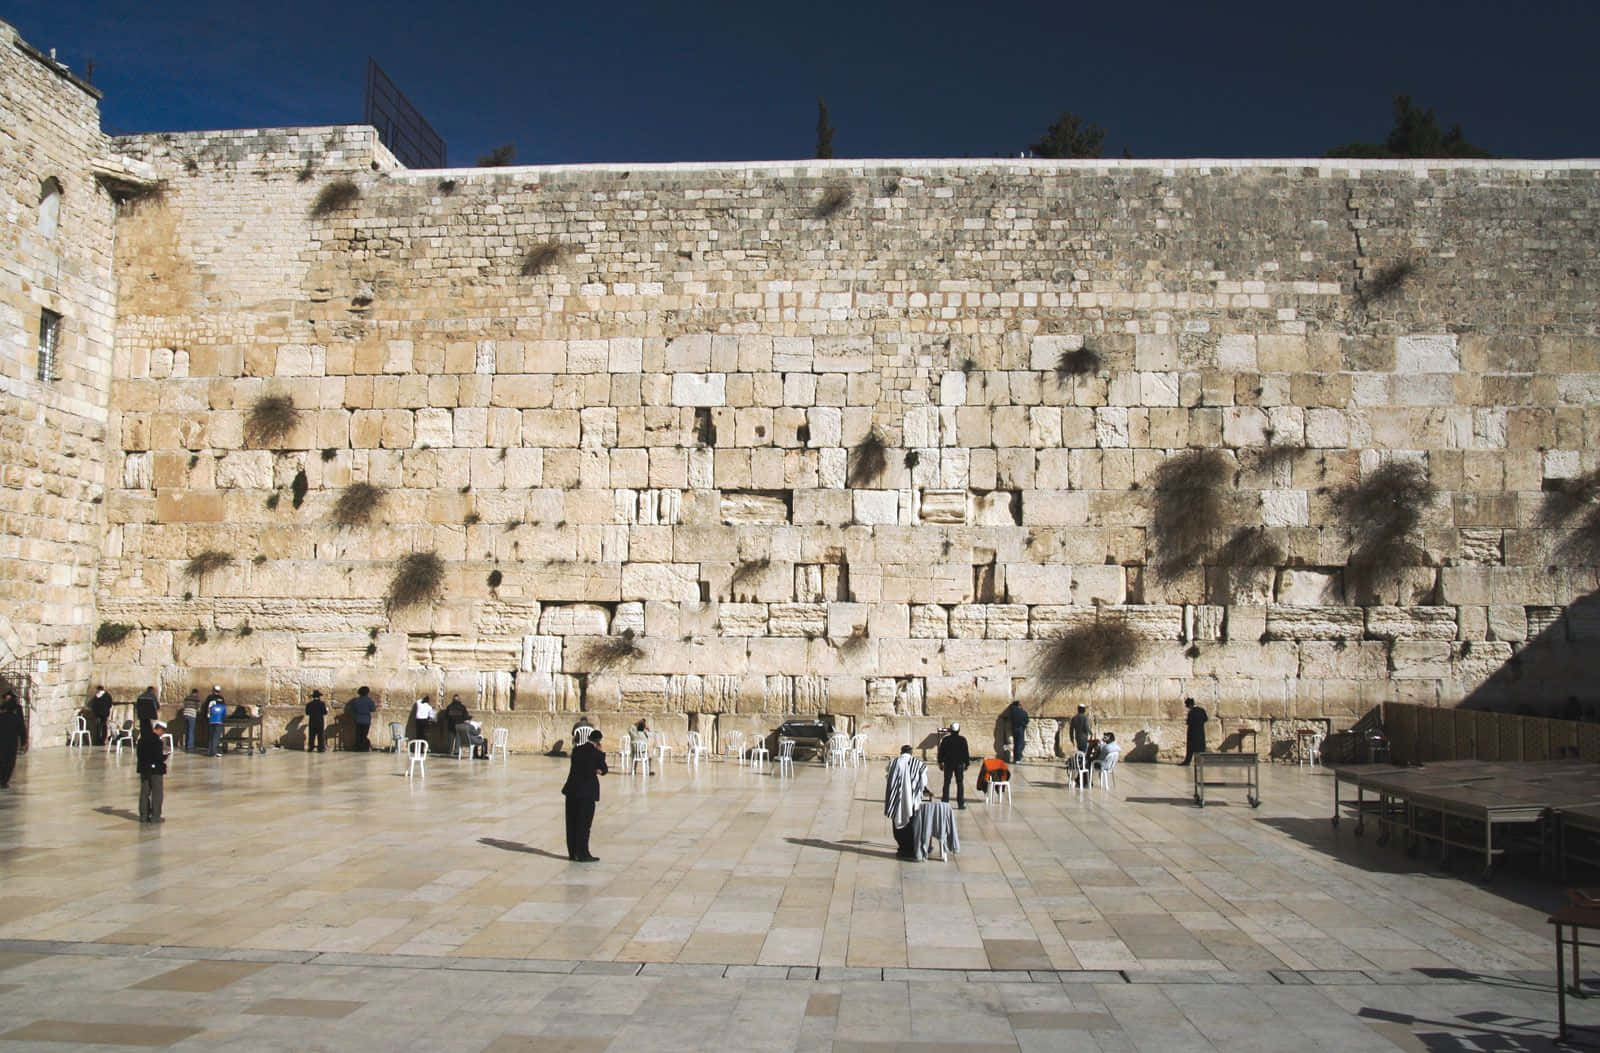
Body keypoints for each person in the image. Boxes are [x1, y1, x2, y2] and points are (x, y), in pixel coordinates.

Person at [562, 729, 608, 862]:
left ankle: (572, 853)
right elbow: (604, 769)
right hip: (587, 793)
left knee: (571, 823)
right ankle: (583, 853)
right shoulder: (596, 753)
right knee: (584, 825)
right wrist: (601, 753)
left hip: (572, 790)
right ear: (599, 741)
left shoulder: (576, 750)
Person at [884, 746, 930, 860]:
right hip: (913, 801)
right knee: (912, 825)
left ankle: (902, 849)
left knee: (898, 825)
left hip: (896, 800)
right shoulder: (918, 764)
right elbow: (924, 781)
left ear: (901, 752)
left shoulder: (893, 763)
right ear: (911, 752)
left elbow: (887, 776)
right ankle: (912, 849)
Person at [136, 719, 169, 822]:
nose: (163, 733)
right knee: (157, 793)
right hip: (155, 771)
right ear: (158, 729)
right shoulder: (157, 741)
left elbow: (140, 755)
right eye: (163, 730)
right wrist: (165, 757)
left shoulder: (141, 740)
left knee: (144, 792)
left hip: (144, 769)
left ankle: (143, 815)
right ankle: (155, 816)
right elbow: (157, 757)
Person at [936, 722, 971, 809]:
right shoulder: (962, 740)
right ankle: (960, 803)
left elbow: (941, 752)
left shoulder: (945, 739)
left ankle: (945, 801)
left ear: (951, 730)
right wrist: (967, 763)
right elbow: (965, 752)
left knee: (947, 782)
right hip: (959, 764)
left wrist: (940, 762)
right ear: (959, 730)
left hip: (948, 764)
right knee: (959, 783)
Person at [0, 692, 27, 789]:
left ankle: (3, 780)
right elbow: (22, 729)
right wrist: (23, 742)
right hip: (10, 742)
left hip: (8, 742)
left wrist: (23, 742)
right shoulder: (14, 719)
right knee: (8, 761)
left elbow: (22, 728)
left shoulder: (16, 712)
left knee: (7, 761)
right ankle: (3, 780)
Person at [1182, 697, 1209, 765]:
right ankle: (1200, 762)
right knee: (1200, 747)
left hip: (1192, 732)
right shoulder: (1202, 710)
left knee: (1191, 748)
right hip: (1200, 732)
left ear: (1190, 705)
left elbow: (1188, 722)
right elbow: (1206, 719)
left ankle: (1187, 761)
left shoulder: (1191, 712)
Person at [349, 686, 377, 751]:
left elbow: (353, 709)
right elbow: (373, 709)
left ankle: (358, 747)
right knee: (364, 734)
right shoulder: (369, 700)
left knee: (358, 734)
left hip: (358, 719)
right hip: (366, 720)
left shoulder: (356, 700)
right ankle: (364, 747)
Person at [206, 692, 228, 756]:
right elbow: (224, 715)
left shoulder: (212, 707)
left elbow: (208, 714)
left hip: (211, 722)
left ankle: (209, 751)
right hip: (219, 722)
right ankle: (214, 751)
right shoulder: (223, 707)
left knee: (211, 737)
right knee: (216, 737)